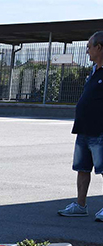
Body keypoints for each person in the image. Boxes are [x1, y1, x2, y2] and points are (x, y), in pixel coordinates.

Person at [58, 31, 103, 221]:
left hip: (100, 130)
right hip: (84, 129)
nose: (87, 51)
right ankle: (80, 205)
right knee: (82, 168)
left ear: (99, 47)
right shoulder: (93, 71)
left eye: (89, 47)